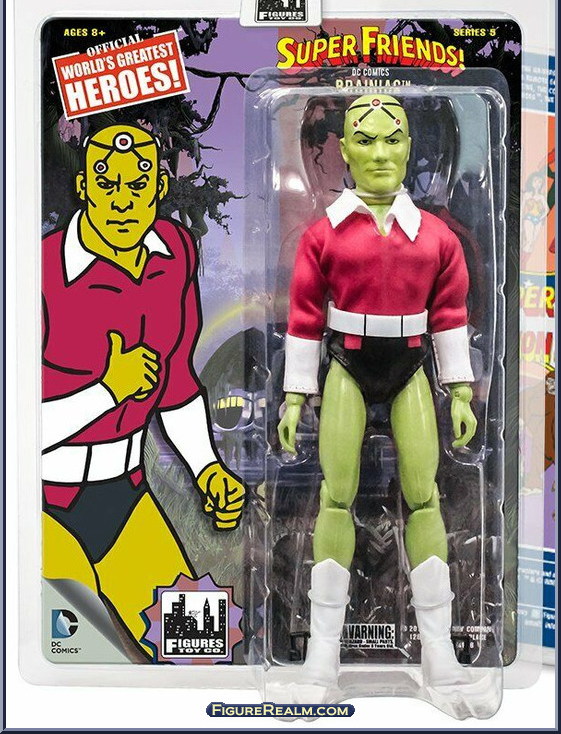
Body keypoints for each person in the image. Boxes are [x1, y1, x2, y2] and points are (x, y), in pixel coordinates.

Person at [278, 94, 487, 702]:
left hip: (410, 364)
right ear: (343, 150)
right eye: (364, 140)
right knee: (335, 498)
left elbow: (450, 315)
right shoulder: (323, 235)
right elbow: (304, 317)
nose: (379, 153)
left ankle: (440, 656)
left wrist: (460, 391)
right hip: (346, 364)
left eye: (391, 139)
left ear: (410, 147)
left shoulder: (436, 237)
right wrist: (296, 396)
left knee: (424, 499)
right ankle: (321, 659)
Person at [42, 124, 244, 659]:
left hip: (126, 495)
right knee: (79, 662)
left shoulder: (175, 253)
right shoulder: (38, 271)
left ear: (158, 188)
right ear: (83, 186)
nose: (122, 201)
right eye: (107, 184)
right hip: (41, 503)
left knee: (202, 648)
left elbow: (175, 379)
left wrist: (207, 468)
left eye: (137, 185)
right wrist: (107, 392)